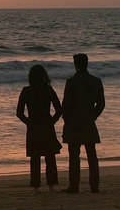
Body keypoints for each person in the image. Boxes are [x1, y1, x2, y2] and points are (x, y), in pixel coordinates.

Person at [61, 53, 105, 193]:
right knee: (91, 154)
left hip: (74, 122)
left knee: (74, 156)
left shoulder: (71, 82)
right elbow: (101, 104)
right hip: (88, 121)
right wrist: (93, 116)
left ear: (76, 65)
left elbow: (66, 105)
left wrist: (67, 119)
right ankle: (94, 186)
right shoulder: (96, 81)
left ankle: (74, 186)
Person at [16, 64, 63, 194]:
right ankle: (51, 186)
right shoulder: (48, 90)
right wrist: (52, 121)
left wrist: (28, 123)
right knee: (50, 157)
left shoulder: (26, 91)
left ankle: (35, 187)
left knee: (35, 158)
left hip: (33, 125)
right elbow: (59, 109)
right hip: (47, 124)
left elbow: (19, 113)